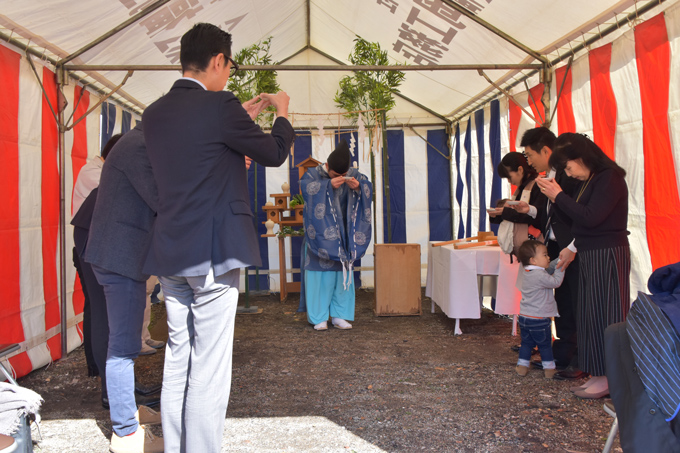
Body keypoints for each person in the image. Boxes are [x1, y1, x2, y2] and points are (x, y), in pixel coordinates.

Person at [141, 23, 295, 452]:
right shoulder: (220, 105)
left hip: (171, 251)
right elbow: (274, 152)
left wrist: (236, 119)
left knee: (178, 358)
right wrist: (282, 114)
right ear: (217, 61)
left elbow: (196, 159)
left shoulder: (154, 112)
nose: (228, 75)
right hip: (212, 252)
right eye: (228, 65)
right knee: (208, 366)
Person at [83, 123, 163, 453]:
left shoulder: (138, 142)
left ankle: (127, 410)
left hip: (118, 252)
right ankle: (125, 431)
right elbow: (162, 199)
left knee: (124, 341)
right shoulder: (141, 146)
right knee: (123, 346)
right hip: (118, 255)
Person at [536, 132, 631, 399]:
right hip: (590, 251)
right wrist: (571, 247)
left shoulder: (609, 178)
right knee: (590, 316)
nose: (570, 173)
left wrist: (558, 195)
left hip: (608, 253)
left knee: (607, 315)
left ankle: (612, 377)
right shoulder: (590, 179)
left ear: (581, 158)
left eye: (569, 167)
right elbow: (578, 220)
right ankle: (599, 373)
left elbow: (591, 217)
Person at [511, 127, 584, 380]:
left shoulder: (569, 176)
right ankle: (560, 355)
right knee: (562, 301)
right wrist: (530, 210)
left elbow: (578, 214)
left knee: (575, 302)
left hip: (573, 248)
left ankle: (579, 359)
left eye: (530, 155)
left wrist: (573, 246)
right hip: (554, 246)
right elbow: (550, 216)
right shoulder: (549, 175)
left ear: (546, 150)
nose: (528, 161)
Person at [299, 139, 373, 331]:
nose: (341, 176)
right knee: (319, 277)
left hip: (344, 234)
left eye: (344, 174)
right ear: (327, 166)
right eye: (336, 174)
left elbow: (368, 188)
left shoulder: (354, 174)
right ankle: (319, 317)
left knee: (342, 275)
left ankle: (340, 315)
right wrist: (327, 185)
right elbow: (306, 190)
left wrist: (358, 187)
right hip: (320, 235)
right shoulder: (313, 174)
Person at [72, 134, 122, 377]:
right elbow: (116, 191)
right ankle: (95, 365)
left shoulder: (101, 170)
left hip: (98, 244)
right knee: (96, 308)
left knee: (99, 307)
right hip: (88, 246)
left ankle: (100, 367)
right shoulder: (92, 172)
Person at [514, 240, 565, 379]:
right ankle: (549, 369)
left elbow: (548, 267)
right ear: (533, 260)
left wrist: (557, 260)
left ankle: (522, 367)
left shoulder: (527, 272)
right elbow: (556, 282)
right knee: (545, 345)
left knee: (526, 344)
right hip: (539, 318)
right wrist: (561, 267)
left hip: (524, 317)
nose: (548, 258)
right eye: (545, 255)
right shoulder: (540, 276)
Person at [488, 152, 543, 254]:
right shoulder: (521, 188)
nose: (509, 181)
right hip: (525, 248)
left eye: (509, 177)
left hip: (536, 248)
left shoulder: (538, 185)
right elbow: (514, 216)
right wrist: (497, 215)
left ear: (520, 170)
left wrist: (505, 212)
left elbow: (534, 216)